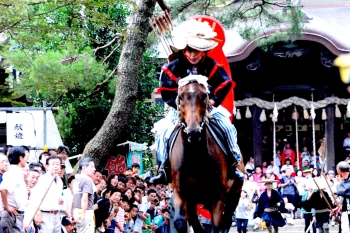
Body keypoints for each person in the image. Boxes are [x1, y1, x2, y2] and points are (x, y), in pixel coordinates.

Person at [150, 18, 243, 184]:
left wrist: (213, 101)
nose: (193, 55)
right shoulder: (175, 65)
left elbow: (225, 83)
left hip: (207, 108)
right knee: (163, 131)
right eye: (190, 50)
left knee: (229, 128)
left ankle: (233, 163)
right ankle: (164, 168)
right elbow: (165, 89)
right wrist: (179, 105)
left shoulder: (211, 65)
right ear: (184, 50)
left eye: (197, 51)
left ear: (203, 51)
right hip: (180, 110)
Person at [26, 155, 64, 233]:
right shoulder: (42, 179)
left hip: (56, 214)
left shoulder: (59, 180)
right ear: (47, 166)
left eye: (57, 164)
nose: (55, 166)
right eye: (53, 164)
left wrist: (60, 201)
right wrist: (37, 213)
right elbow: (34, 198)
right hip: (45, 214)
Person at [0, 146, 28, 233]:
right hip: (11, 215)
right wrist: (7, 207)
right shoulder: (13, 172)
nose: (26, 160)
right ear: (20, 158)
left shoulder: (16, 171)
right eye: (25, 157)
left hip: (16, 215)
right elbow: (3, 189)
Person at [72, 157, 96, 233]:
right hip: (85, 212)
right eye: (92, 167)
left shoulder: (76, 180)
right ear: (84, 167)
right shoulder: (87, 180)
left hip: (76, 211)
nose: (94, 169)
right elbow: (84, 198)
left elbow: (73, 198)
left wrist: (70, 214)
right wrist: (83, 214)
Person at [336, 161, 350, 233]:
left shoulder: (343, 183)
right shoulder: (343, 182)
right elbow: (342, 196)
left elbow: (342, 192)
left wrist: (340, 183)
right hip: (345, 211)